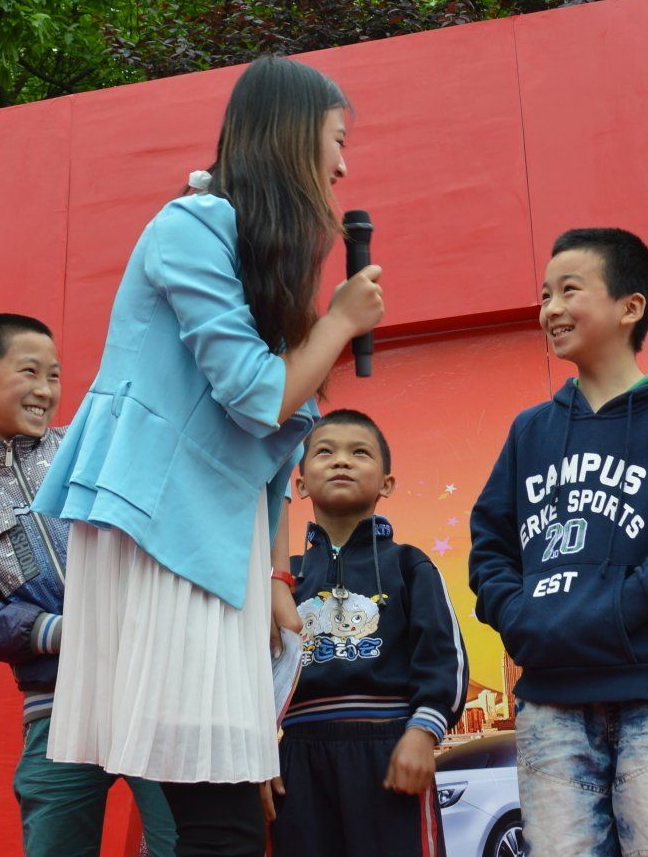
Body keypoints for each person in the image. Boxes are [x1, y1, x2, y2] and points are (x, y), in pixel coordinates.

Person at [33, 55, 385, 857]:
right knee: (221, 815)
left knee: (222, 815)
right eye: (336, 140)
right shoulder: (189, 225)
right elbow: (258, 396)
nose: (342, 166)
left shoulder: (249, 248)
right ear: (292, 136)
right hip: (163, 528)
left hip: (218, 543)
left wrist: (274, 578)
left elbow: (266, 453)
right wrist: (337, 322)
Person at [468, 227, 648, 857]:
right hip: (551, 704)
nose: (550, 309)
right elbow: (489, 547)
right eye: (544, 295)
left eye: (569, 291)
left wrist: (625, 602)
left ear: (631, 307)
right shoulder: (529, 432)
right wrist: (521, 615)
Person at [0, 313, 177, 856]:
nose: (46, 390)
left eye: (54, 375)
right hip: (55, 704)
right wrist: (56, 631)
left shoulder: (92, 446)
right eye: (29, 372)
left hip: (147, 682)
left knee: (182, 841)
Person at [269, 410, 467, 857]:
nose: (342, 461)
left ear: (387, 484)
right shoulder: (284, 581)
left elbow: (444, 657)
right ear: (299, 484)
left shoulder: (410, 565)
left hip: (390, 749)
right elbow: (257, 671)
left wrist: (422, 734)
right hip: (297, 757)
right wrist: (259, 755)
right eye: (324, 452)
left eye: (360, 452)